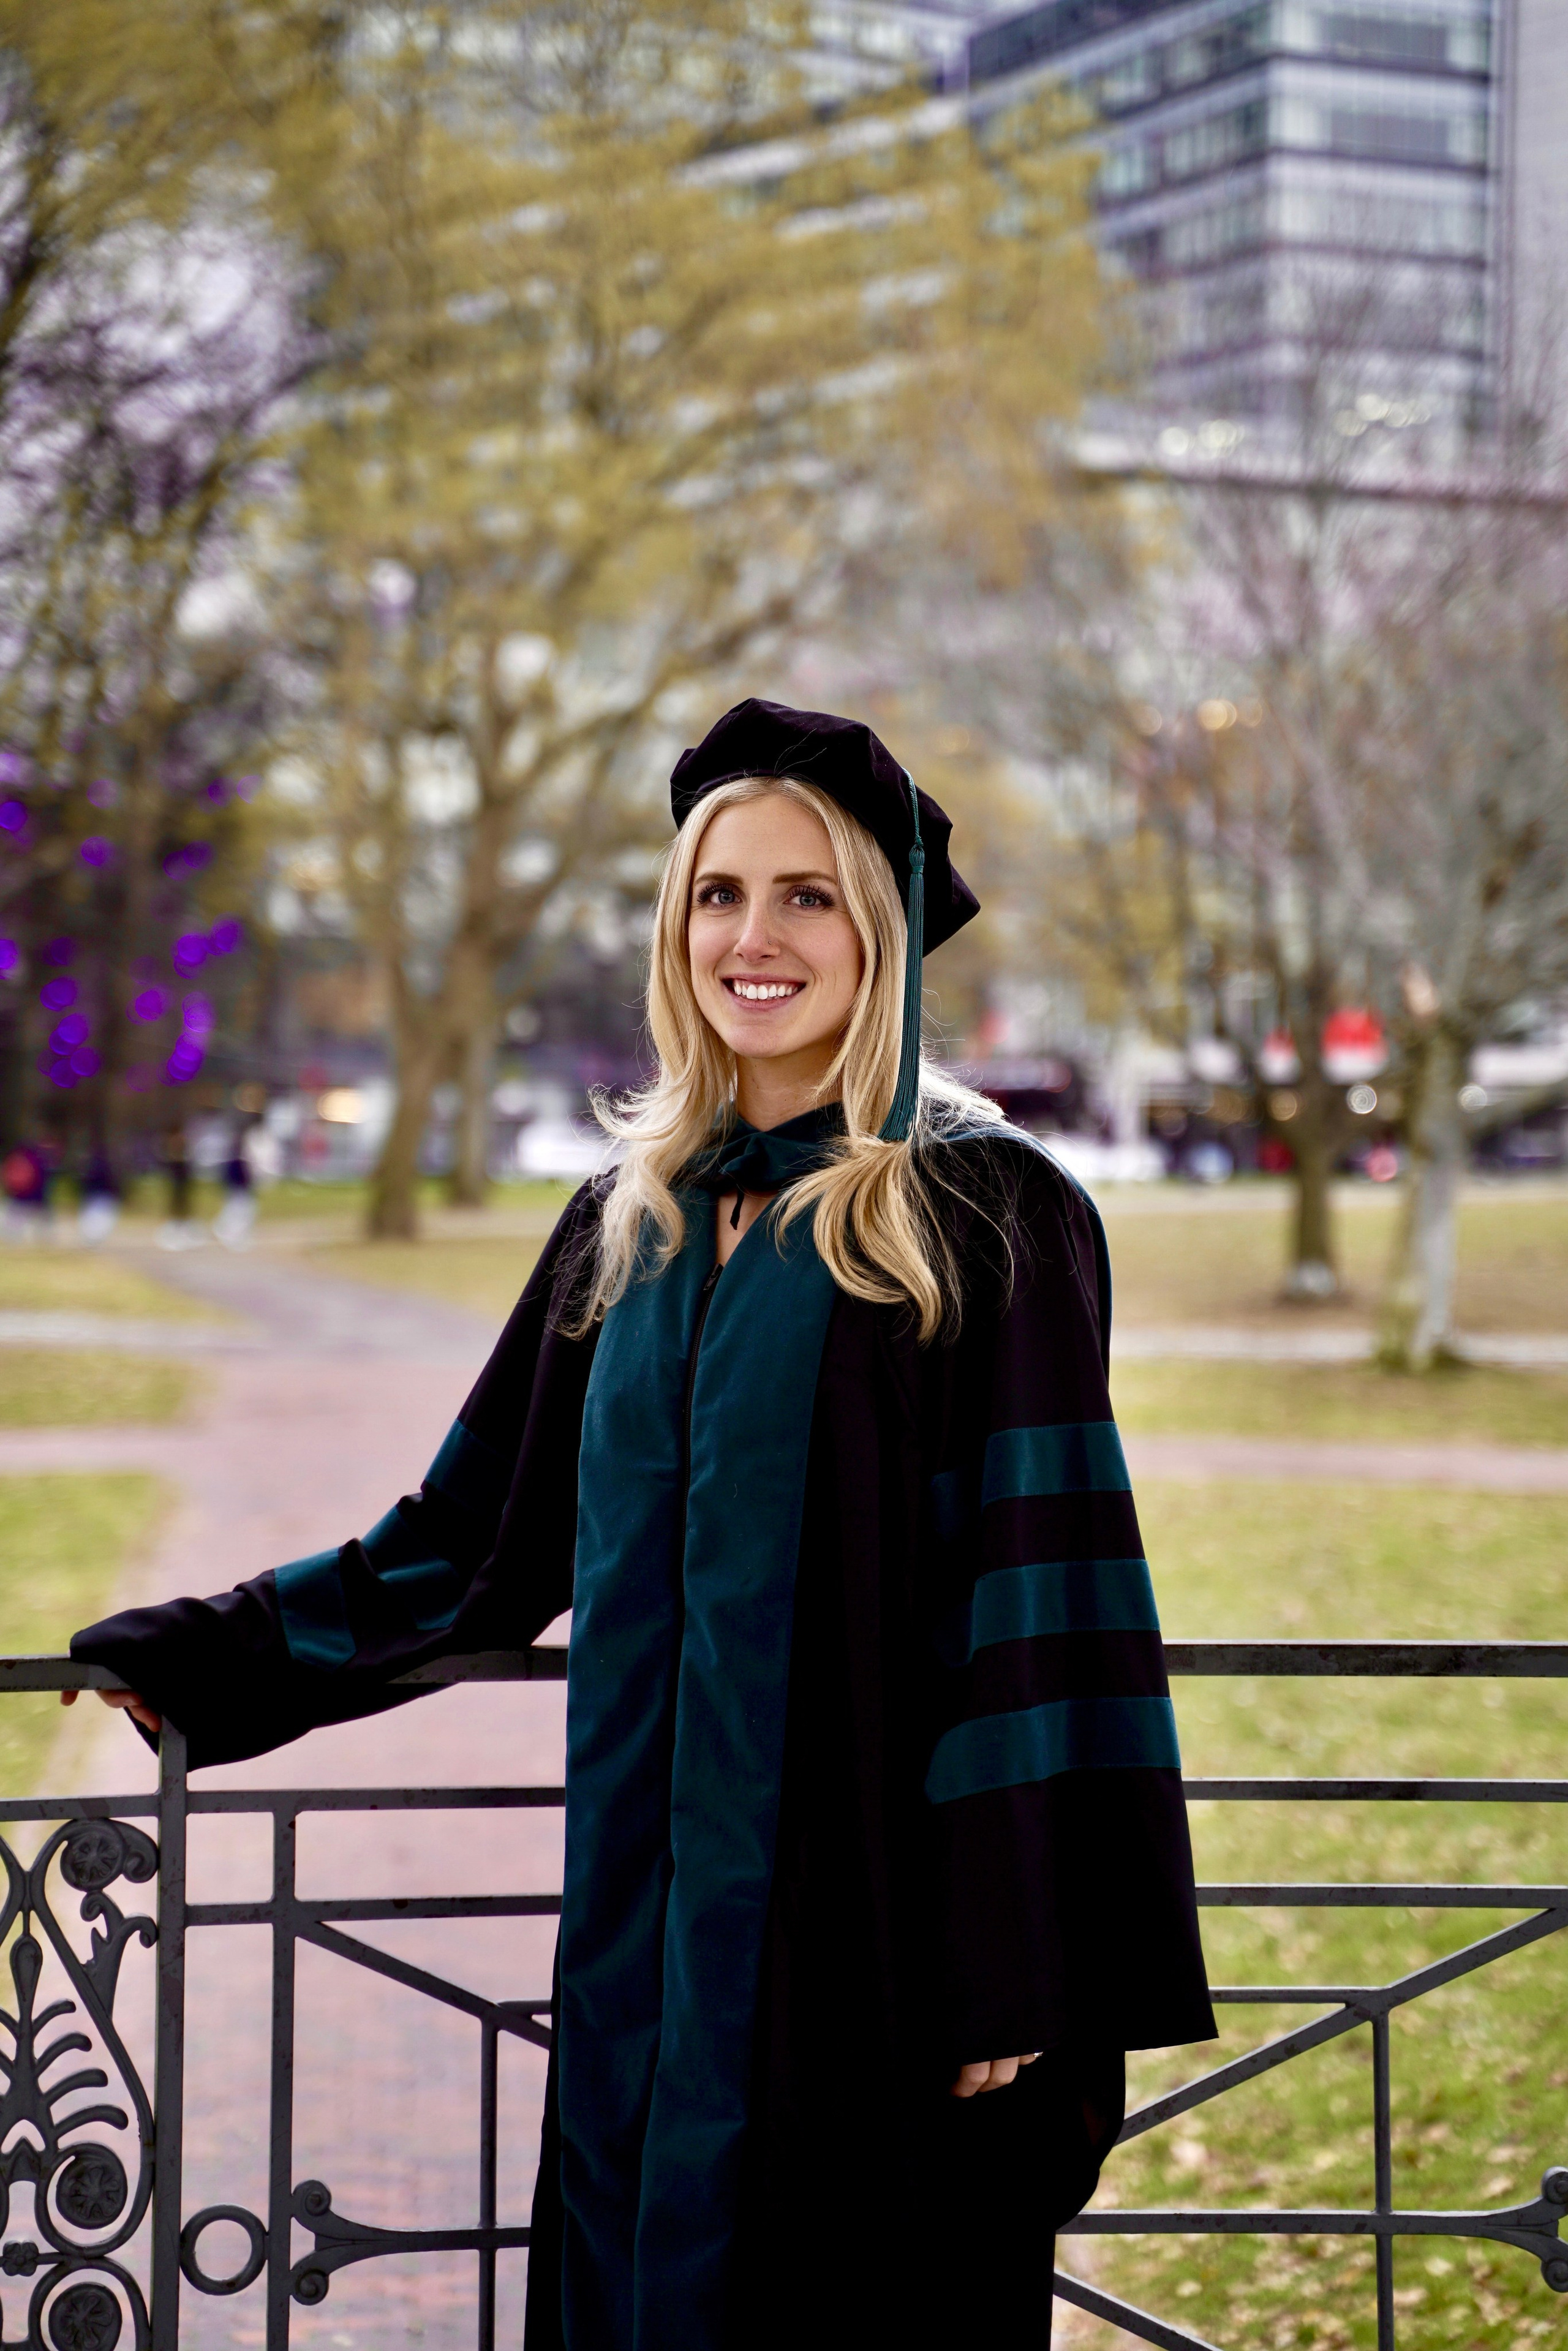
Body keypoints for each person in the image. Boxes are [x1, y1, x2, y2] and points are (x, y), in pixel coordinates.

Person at [67, 701, 1214, 2351]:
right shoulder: (634, 1220)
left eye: (809, 895)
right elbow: (474, 1541)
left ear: (879, 932)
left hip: (874, 1946)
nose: (756, 937)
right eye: (717, 895)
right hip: (645, 1946)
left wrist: (1012, 1969)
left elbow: (1042, 1606)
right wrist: (219, 1656)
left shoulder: (981, 1210)